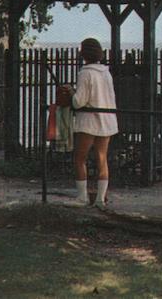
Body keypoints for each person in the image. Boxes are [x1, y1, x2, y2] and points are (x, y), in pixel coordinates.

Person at [67, 38, 118, 208]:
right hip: (107, 120)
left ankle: (82, 197)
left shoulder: (85, 73)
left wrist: (71, 93)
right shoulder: (106, 72)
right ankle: (100, 199)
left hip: (88, 122)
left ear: (83, 53)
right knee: (101, 159)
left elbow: (79, 101)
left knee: (80, 158)